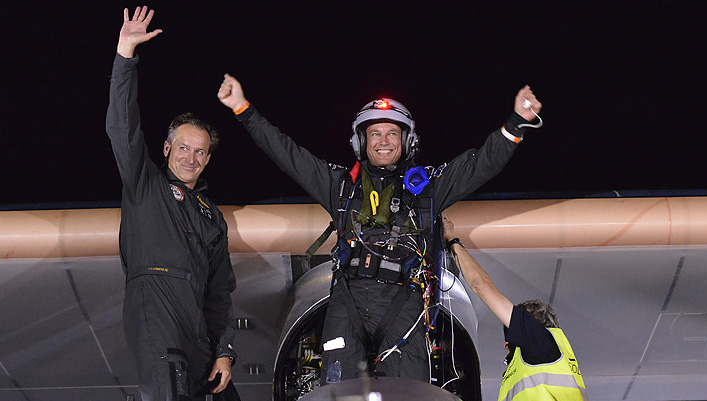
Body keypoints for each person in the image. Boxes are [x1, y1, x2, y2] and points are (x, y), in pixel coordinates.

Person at [217, 73, 542, 385]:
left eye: (391, 133)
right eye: (375, 133)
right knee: (336, 391)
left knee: (409, 394)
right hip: (347, 304)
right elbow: (287, 153)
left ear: (406, 140)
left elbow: (479, 164)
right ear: (362, 141)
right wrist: (243, 109)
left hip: (406, 306)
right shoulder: (339, 186)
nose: (383, 141)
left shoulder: (428, 187)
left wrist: (516, 122)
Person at [106, 6, 238, 400]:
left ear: (208, 159)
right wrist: (125, 53)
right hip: (156, 310)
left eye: (200, 152)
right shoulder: (144, 184)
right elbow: (121, 127)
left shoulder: (212, 218)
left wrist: (225, 352)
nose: (190, 157)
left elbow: (219, 292)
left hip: (197, 328)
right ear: (166, 149)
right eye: (183, 147)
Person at [442, 215, 588, 400]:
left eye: (511, 338)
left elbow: (482, 286)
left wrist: (452, 241)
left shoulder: (539, 342)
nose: (505, 346)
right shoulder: (549, 353)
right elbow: (481, 286)